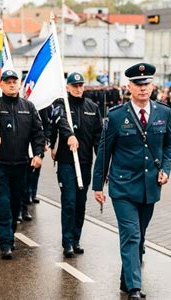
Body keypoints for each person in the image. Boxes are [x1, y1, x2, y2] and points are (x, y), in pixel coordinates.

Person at [92, 63, 171, 300]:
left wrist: (166, 170)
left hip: (150, 186)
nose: (142, 88)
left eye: (146, 83)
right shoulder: (116, 116)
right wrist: (98, 186)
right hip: (123, 186)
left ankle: (125, 279)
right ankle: (134, 289)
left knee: (140, 237)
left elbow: (169, 144)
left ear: (152, 85)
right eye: (138, 84)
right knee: (132, 235)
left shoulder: (163, 112)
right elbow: (105, 151)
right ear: (129, 86)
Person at [0, 69, 44, 260]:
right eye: (7, 81)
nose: (11, 84)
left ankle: (10, 232)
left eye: (14, 81)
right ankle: (6, 242)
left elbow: (37, 132)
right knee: (1, 203)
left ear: (19, 84)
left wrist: (38, 153)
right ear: (1, 85)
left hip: (21, 164)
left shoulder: (28, 106)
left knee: (16, 203)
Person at [50, 72, 102, 258]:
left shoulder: (93, 107)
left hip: (85, 162)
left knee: (81, 203)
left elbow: (98, 137)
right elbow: (59, 120)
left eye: (81, 85)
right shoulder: (60, 104)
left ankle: (76, 239)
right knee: (69, 202)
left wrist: (102, 163)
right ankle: (67, 242)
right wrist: (69, 135)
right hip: (66, 162)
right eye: (75, 85)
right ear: (68, 87)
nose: (78, 89)